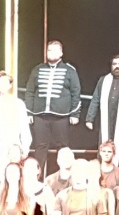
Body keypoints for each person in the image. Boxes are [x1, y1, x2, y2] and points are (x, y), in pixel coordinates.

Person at [29, 39, 83, 170]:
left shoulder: (70, 70)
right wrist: (29, 112)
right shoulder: (37, 69)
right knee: (40, 146)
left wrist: (75, 114)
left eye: (54, 50)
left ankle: (64, 176)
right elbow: (30, 91)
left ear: (61, 53)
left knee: (62, 147)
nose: (51, 53)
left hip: (61, 116)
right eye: (49, 50)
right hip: (40, 115)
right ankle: (37, 176)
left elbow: (76, 92)